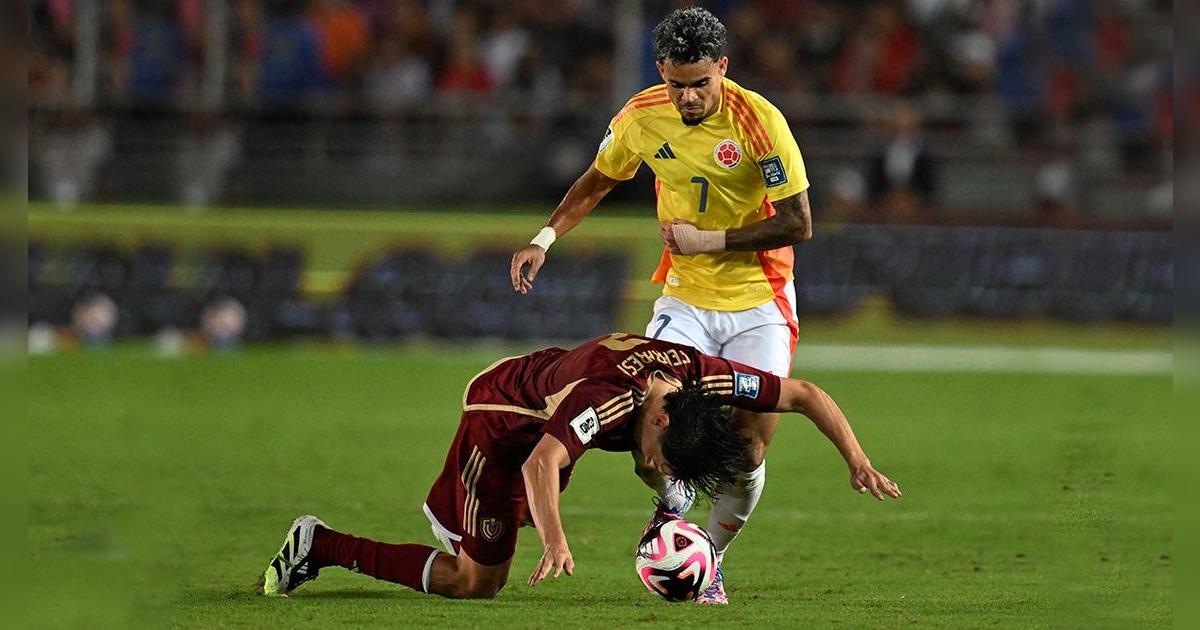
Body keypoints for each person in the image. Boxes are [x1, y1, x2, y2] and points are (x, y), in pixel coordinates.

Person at [509, 7, 813, 603]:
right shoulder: (642, 116)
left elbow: (800, 223)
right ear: (661, 73)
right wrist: (543, 239)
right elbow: (597, 181)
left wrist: (711, 241)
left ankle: (710, 558)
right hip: (685, 298)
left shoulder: (760, 122)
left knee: (749, 444)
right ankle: (672, 511)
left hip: (760, 299)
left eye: (702, 83)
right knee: (655, 419)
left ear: (722, 68)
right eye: (678, 84)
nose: (690, 96)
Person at [256, 333, 900, 599]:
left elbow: (804, 394)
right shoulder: (608, 399)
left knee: (534, 515)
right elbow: (541, 463)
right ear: (660, 419)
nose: (655, 464)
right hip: (501, 423)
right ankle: (322, 544)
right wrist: (560, 540)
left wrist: (858, 460)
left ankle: (505, 526)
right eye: (659, 453)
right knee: (477, 582)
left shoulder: (703, 380)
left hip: (548, 413)